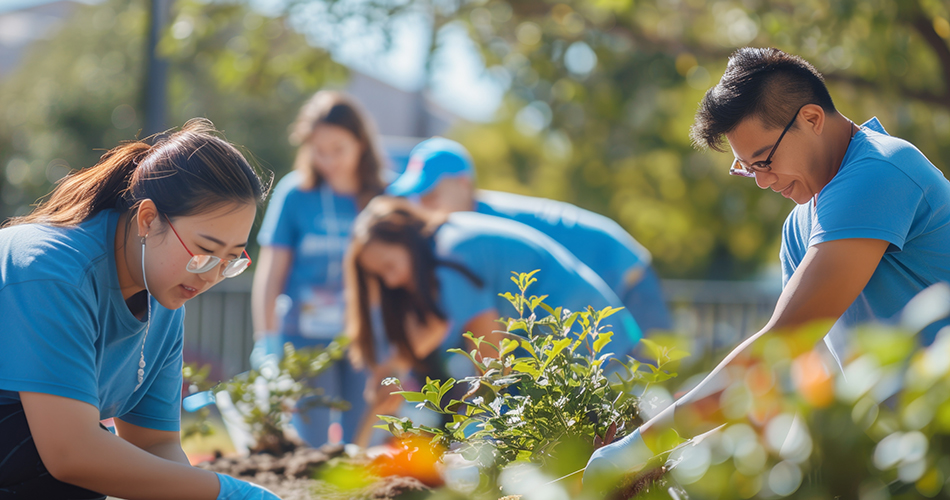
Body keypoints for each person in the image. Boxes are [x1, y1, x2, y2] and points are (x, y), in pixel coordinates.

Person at [584, 47, 950, 491]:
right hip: (895, 453)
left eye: (765, 159)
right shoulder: (801, 226)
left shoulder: (881, 169)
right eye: (747, 167)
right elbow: (792, 378)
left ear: (812, 119)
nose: (761, 180)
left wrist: (641, 447)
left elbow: (784, 341)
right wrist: (679, 457)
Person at [0, 119, 280, 499]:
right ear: (148, 219)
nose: (212, 276)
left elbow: (154, 446)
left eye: (231, 259)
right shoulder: (51, 270)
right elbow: (71, 454)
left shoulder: (163, 297)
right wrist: (223, 491)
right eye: (205, 252)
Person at [343, 196, 643, 439]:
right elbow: (436, 326)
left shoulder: (450, 258)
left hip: (591, 342)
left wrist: (470, 435)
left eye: (389, 266)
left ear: (405, 239)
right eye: (381, 276)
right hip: (594, 334)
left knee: (601, 445)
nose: (391, 281)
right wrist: (393, 368)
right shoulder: (445, 239)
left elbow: (492, 362)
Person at [385, 137, 673, 335]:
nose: (423, 208)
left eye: (431, 195)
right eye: (417, 198)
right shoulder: (475, 222)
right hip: (607, 275)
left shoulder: (480, 229)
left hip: (622, 273)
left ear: (464, 184)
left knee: (653, 390)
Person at [250, 91, 386, 447]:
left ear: (361, 142)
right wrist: (267, 341)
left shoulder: (387, 194)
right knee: (311, 444)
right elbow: (269, 276)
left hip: (367, 337)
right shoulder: (295, 193)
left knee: (365, 442)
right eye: (318, 150)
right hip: (304, 336)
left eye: (338, 148)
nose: (328, 160)